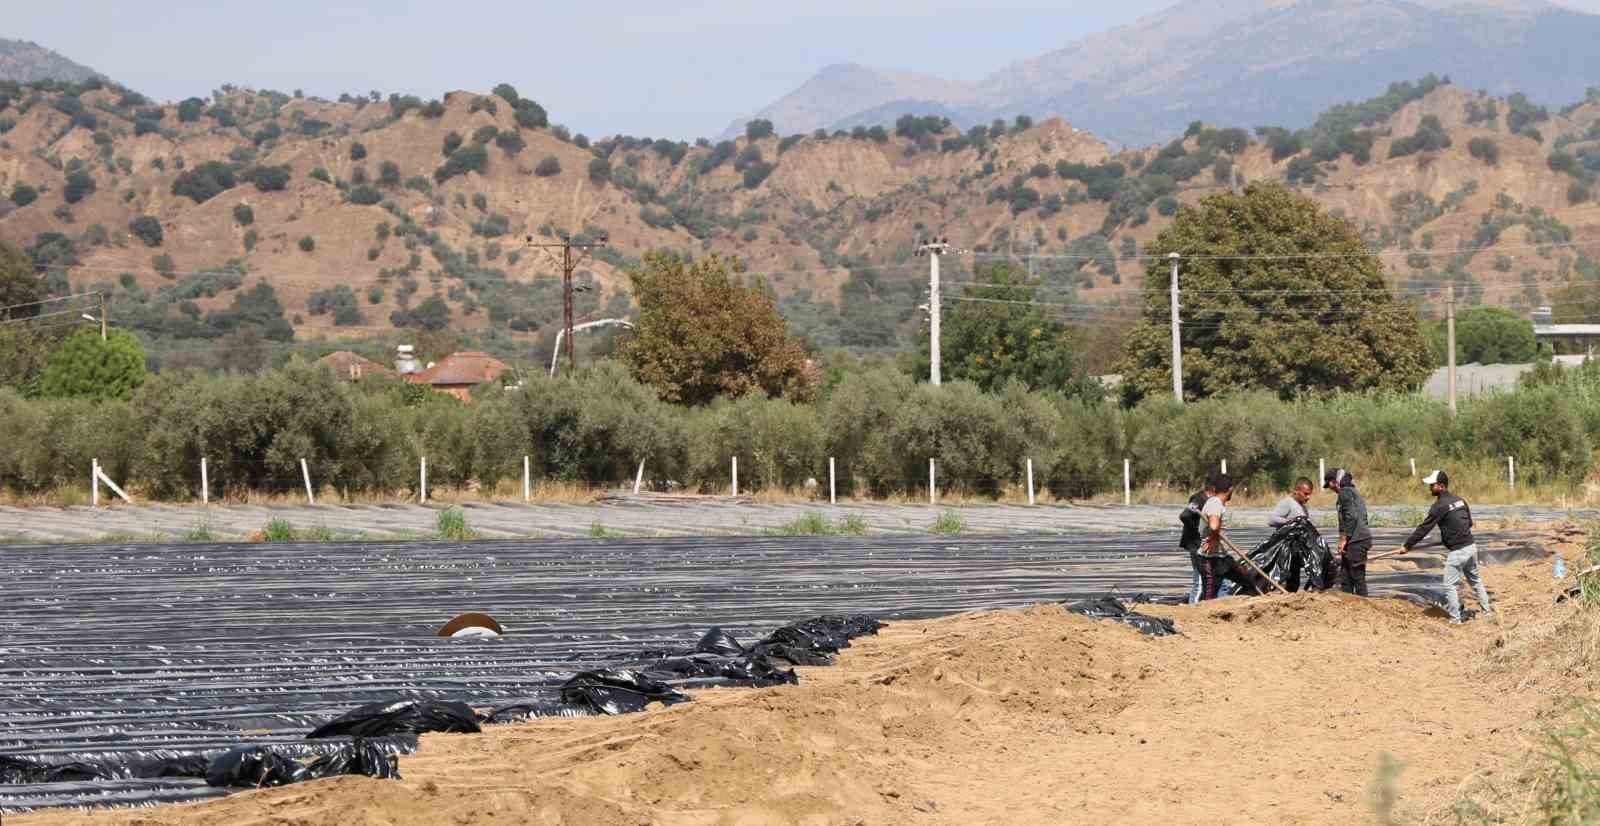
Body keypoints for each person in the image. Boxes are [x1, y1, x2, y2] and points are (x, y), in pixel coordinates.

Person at [1401, 470, 1492, 624]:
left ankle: (1455, 619)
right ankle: (1487, 613)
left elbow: (1424, 528)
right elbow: (1468, 523)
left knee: (1449, 585)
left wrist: (1407, 545)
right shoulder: (1460, 501)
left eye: (1432, 484)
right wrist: (1450, 534)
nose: (1430, 487)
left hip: (1458, 552)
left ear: (1441, 486)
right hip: (1471, 547)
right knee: (1476, 581)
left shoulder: (1439, 506)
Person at [1324, 468, 1372, 596]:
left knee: (1357, 577)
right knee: (1345, 577)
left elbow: (1352, 516)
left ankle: (1364, 608)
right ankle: (1348, 607)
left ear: (1334, 482)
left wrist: (1344, 538)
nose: (1331, 489)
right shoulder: (1352, 491)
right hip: (1356, 540)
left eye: (1329, 485)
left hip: (1357, 541)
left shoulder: (1344, 492)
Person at [1196, 473, 1238, 601]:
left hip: (1223, 557)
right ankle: (1201, 618)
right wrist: (1213, 538)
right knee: (1209, 596)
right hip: (1209, 560)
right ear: (1230, 489)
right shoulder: (1215, 502)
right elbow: (1214, 526)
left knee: (1247, 578)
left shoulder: (1218, 503)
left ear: (1214, 488)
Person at [1178, 480, 1215, 604]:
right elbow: (1185, 515)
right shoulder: (1199, 499)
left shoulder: (1209, 500)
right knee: (1199, 579)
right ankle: (1193, 607)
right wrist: (1196, 531)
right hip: (1196, 544)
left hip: (1202, 543)